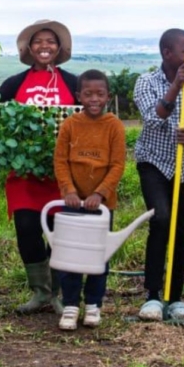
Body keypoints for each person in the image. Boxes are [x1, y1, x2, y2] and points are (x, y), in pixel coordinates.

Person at [0, 20, 79, 315]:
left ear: (59, 48)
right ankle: (40, 292)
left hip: (62, 176)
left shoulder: (73, 84)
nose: (45, 46)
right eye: (39, 42)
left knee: (60, 232)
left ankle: (56, 292)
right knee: (27, 229)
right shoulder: (13, 85)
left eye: (51, 42)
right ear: (29, 49)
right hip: (23, 176)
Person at [133, 28, 184, 322]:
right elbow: (153, 118)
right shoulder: (146, 82)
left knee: (179, 227)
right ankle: (152, 296)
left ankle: (175, 298)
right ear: (167, 53)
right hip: (153, 161)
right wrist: (176, 85)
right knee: (161, 219)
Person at [53, 70, 127, 331]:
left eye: (99, 94)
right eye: (88, 94)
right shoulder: (71, 124)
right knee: (70, 255)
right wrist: (69, 191)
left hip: (101, 206)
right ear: (79, 96)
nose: (94, 99)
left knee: (98, 257)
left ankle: (93, 304)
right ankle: (71, 305)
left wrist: (100, 194)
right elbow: (60, 161)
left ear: (108, 96)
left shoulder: (114, 125)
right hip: (72, 204)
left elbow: (118, 165)